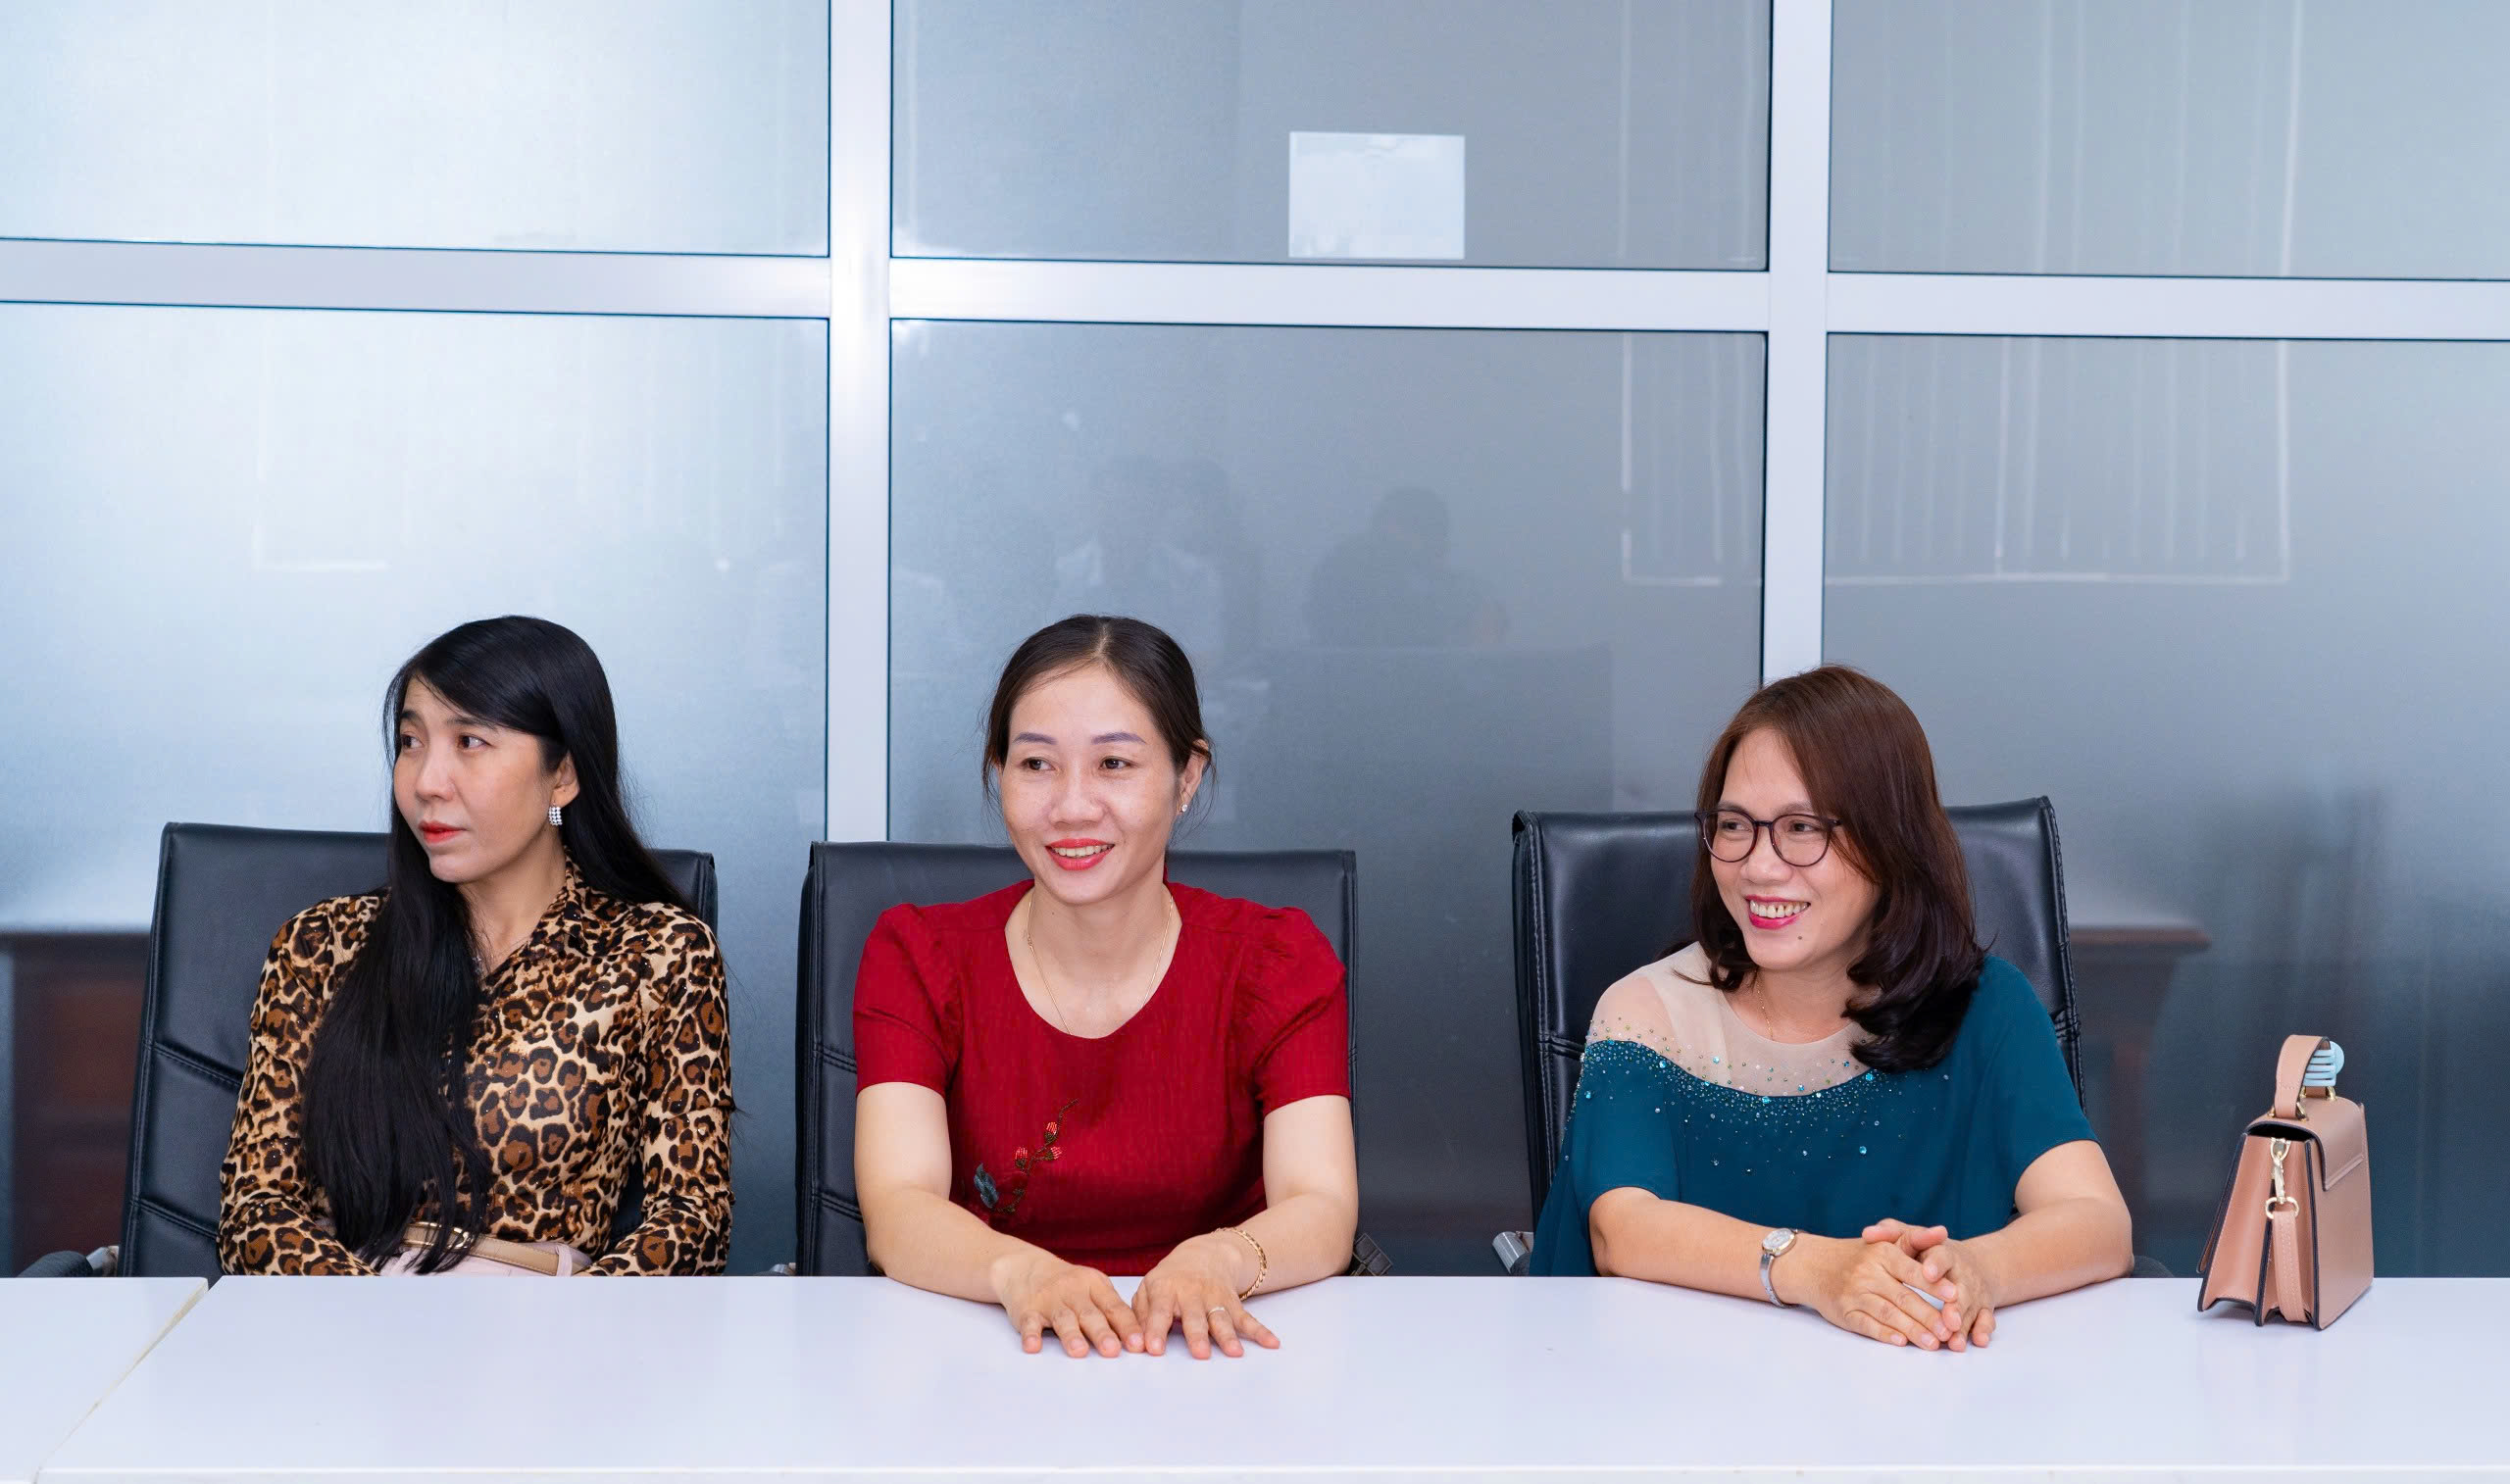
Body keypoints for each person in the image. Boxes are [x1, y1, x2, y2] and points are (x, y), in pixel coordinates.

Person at [1531, 666, 2132, 1349]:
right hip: (1688, 1392)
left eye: (1801, 827)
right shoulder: (1648, 1013)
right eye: (1734, 825)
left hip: (1927, 1398)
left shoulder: (1985, 1007)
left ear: (1891, 841)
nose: (1759, 867)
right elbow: (1623, 1229)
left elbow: (2098, 1222)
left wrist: (1976, 1269)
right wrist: (1818, 1269)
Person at [854, 615, 1359, 1359]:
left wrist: (1218, 1260)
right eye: (1036, 764)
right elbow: (899, 1205)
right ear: (999, 773)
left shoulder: (1276, 961)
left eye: (1114, 764)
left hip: (1214, 1352)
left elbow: (1321, 1203)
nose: (1071, 806)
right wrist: (1022, 1273)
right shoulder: (918, 956)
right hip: (986, 1348)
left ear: (1187, 776)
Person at [218, 616, 732, 1275]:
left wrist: (582, 1317)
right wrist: (370, 1310)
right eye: (411, 742)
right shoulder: (321, 946)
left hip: (545, 1320)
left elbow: (693, 1218)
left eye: (469, 741)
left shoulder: (656, 954)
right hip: (346, 1314)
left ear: (562, 775)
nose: (427, 781)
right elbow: (255, 1209)